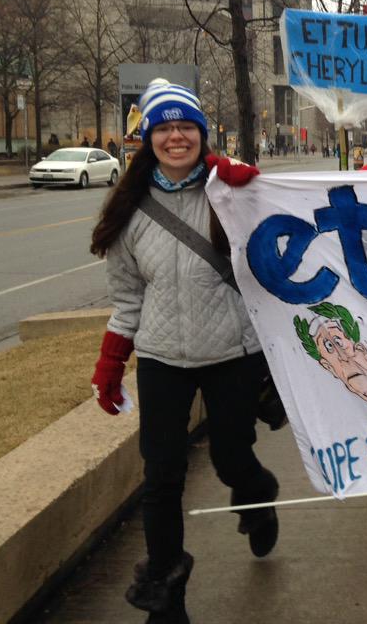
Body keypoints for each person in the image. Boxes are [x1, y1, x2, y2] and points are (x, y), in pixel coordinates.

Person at [88, 79, 278, 624]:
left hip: (231, 352)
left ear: (202, 133)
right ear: (149, 139)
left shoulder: (232, 192)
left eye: (185, 126)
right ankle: (167, 597)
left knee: (231, 459)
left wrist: (254, 192)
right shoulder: (129, 209)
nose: (176, 137)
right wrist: (110, 364)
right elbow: (127, 300)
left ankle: (258, 492)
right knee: (162, 476)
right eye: (164, 128)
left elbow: (285, 249)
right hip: (162, 358)